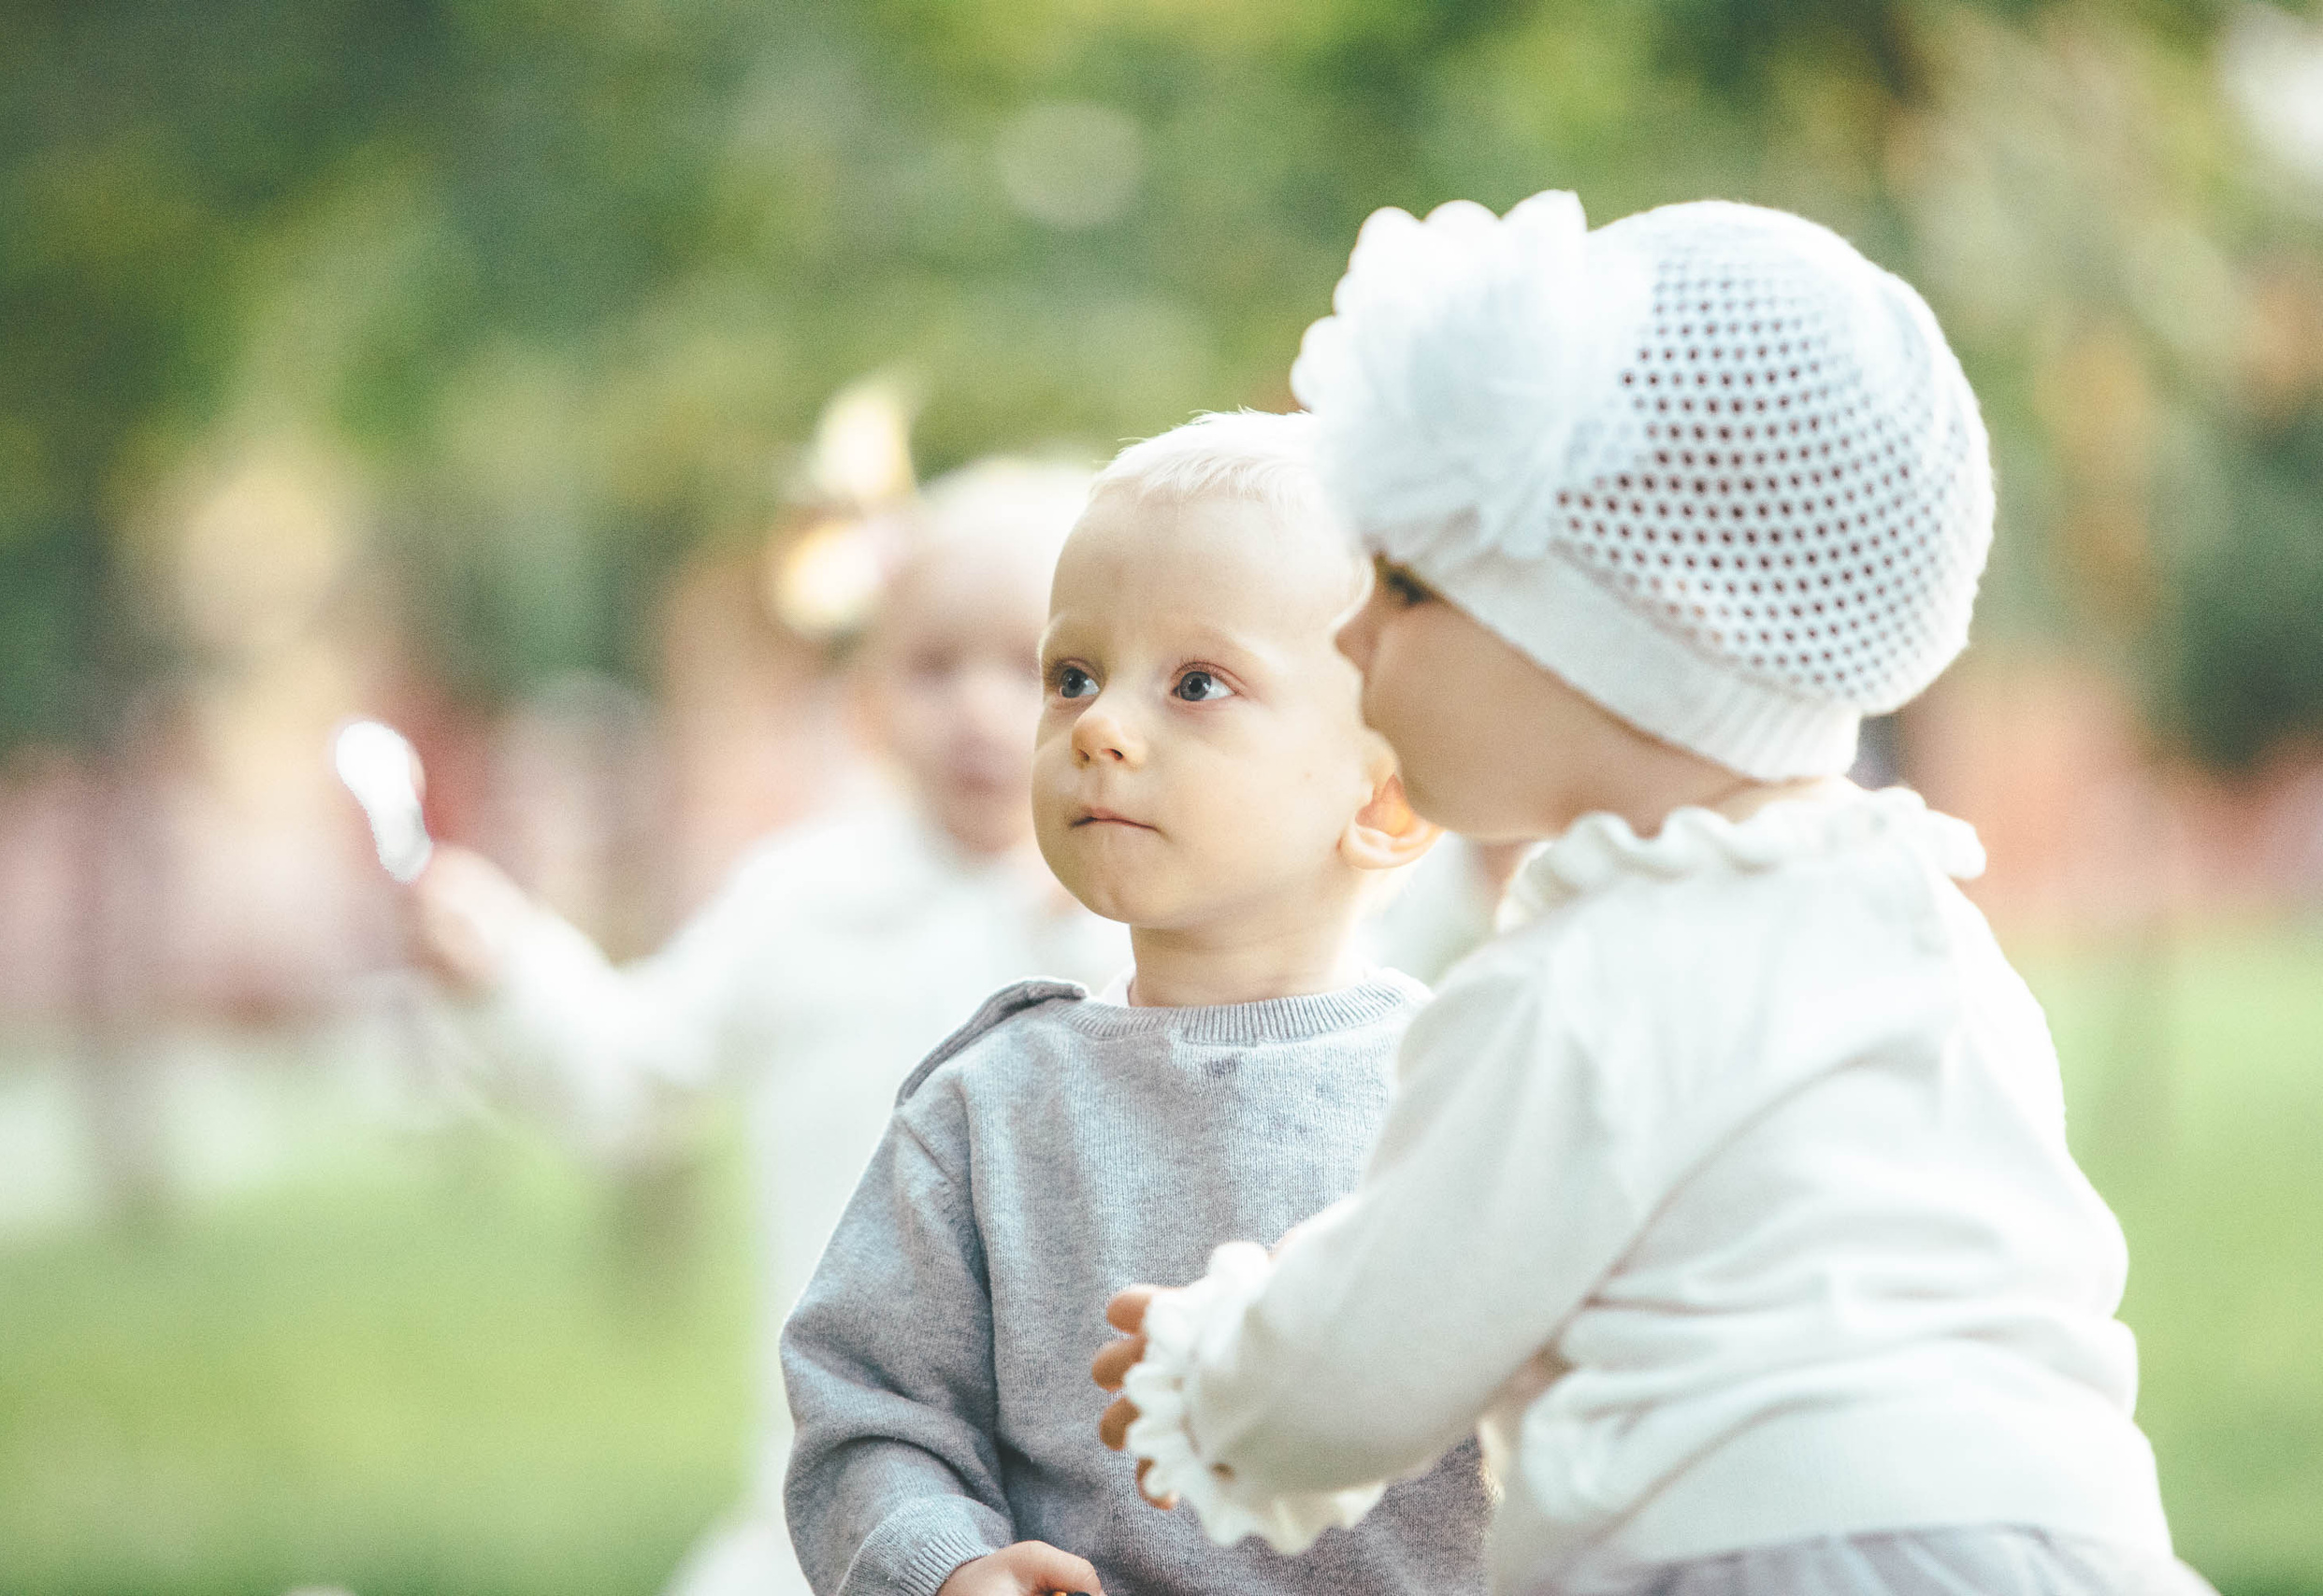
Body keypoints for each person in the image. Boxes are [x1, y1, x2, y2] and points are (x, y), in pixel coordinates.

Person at [1094, 194, 2210, 1595]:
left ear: (1618, 640)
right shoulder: (1924, 916)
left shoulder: (1588, 973)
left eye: (1407, 582)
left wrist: (1212, 1370)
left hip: (1752, 1551)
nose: (1349, 627)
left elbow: (1384, 1340)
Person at [780, 411, 1489, 1596]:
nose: (1100, 727)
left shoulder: (1471, 1095)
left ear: (1387, 801)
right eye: (1073, 677)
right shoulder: (988, 1109)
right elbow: (871, 1415)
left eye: (1197, 684)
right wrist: (946, 1567)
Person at [410, 459, 1132, 1596]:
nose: (982, 711)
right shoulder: (804, 902)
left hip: (1088, 1507)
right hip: (844, 1493)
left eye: (1041, 669)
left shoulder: (1140, 920)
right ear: (863, 699)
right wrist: (506, 970)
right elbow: (634, 1078)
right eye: (933, 667)